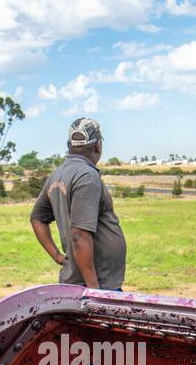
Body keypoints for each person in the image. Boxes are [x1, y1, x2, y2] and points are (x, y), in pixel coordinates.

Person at [29, 117, 128, 291]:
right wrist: (94, 290)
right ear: (98, 145)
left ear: (69, 144)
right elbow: (79, 235)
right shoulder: (87, 176)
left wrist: (57, 256)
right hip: (98, 285)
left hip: (76, 282)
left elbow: (37, 218)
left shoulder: (57, 175)